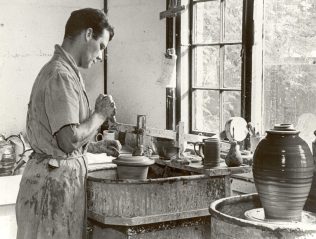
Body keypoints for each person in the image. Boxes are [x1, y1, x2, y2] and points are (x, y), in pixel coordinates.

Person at [15, 8, 121, 239]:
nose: (101, 56)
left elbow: (63, 135)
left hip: (53, 184)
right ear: (88, 34)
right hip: (50, 190)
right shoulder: (61, 75)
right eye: (101, 46)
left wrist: (93, 146)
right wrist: (100, 115)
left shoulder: (67, 73)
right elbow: (67, 140)